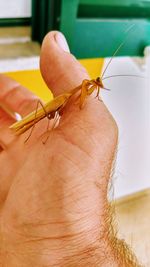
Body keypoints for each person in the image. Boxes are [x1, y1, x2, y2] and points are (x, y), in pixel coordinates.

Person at [0, 31, 140, 266]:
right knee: (35, 117)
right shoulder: (78, 95)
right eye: (96, 84)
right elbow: (59, 107)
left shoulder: (82, 95)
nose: (97, 86)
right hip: (38, 116)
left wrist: (73, 248)